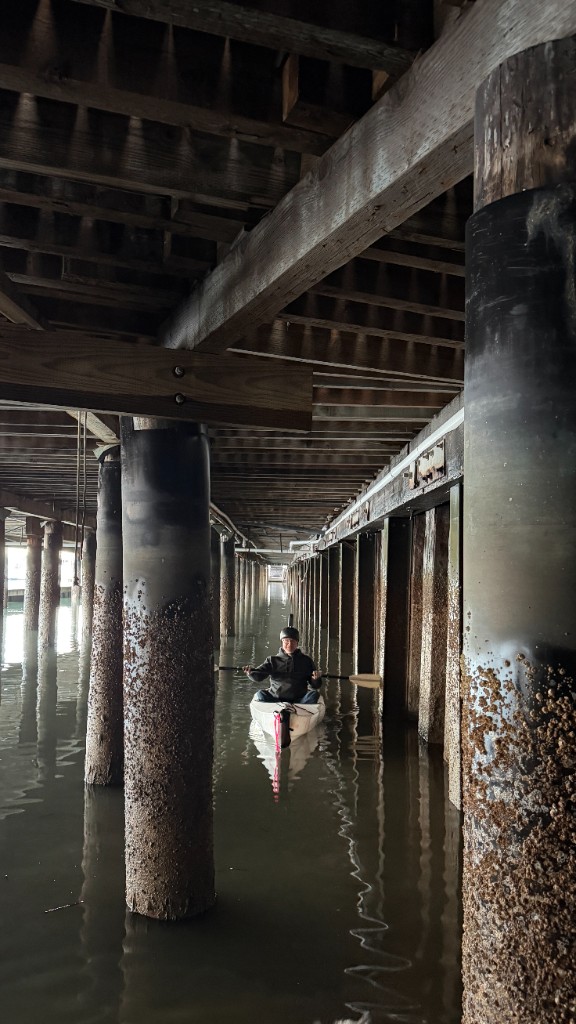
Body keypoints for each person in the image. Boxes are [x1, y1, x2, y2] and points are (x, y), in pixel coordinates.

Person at [243, 626, 322, 703]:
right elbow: (258, 677)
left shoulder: (306, 660)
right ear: (282, 642)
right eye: (286, 641)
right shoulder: (272, 660)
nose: (289, 644)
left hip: (300, 700)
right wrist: (250, 673)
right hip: (276, 699)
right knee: (260, 694)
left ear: (297, 643)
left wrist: (315, 679)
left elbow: (315, 686)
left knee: (314, 695)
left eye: (292, 641)